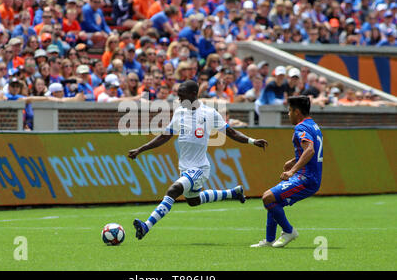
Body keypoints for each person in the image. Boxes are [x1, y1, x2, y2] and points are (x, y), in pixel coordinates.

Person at [128, 80, 268, 240]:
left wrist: (252, 141)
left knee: (173, 190)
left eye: (182, 97)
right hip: (184, 167)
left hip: (200, 168)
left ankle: (146, 226)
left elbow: (232, 133)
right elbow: (164, 136)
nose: (179, 100)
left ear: (193, 95)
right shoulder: (180, 112)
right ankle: (233, 193)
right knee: (193, 201)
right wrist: (140, 149)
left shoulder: (209, 113)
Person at [251, 95, 323, 248]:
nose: (288, 114)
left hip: (305, 177)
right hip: (309, 176)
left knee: (267, 197)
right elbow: (313, 150)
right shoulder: (313, 125)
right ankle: (269, 241)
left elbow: (310, 150)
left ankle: (289, 231)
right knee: (273, 200)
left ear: (297, 112)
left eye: (289, 110)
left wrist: (292, 171)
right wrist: (294, 161)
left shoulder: (301, 127)